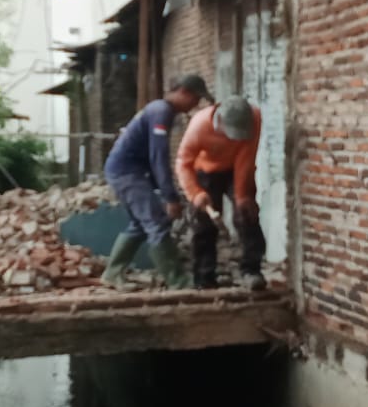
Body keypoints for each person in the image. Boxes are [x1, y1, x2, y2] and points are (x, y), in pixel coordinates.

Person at [101, 74, 212, 289]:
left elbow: (152, 159)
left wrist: (163, 190)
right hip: (127, 172)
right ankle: (178, 282)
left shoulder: (158, 109)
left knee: (140, 225)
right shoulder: (161, 112)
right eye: (195, 98)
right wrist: (170, 197)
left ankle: (112, 274)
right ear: (183, 92)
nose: (196, 104)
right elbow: (158, 157)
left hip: (125, 170)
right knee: (157, 224)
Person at [177, 96, 266, 291]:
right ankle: (204, 277)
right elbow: (183, 163)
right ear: (219, 122)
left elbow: (246, 157)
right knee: (204, 225)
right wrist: (195, 193)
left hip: (236, 169)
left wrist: (242, 196)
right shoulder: (199, 126)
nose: (234, 138)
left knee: (247, 215)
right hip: (205, 171)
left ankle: (251, 270)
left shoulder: (254, 118)